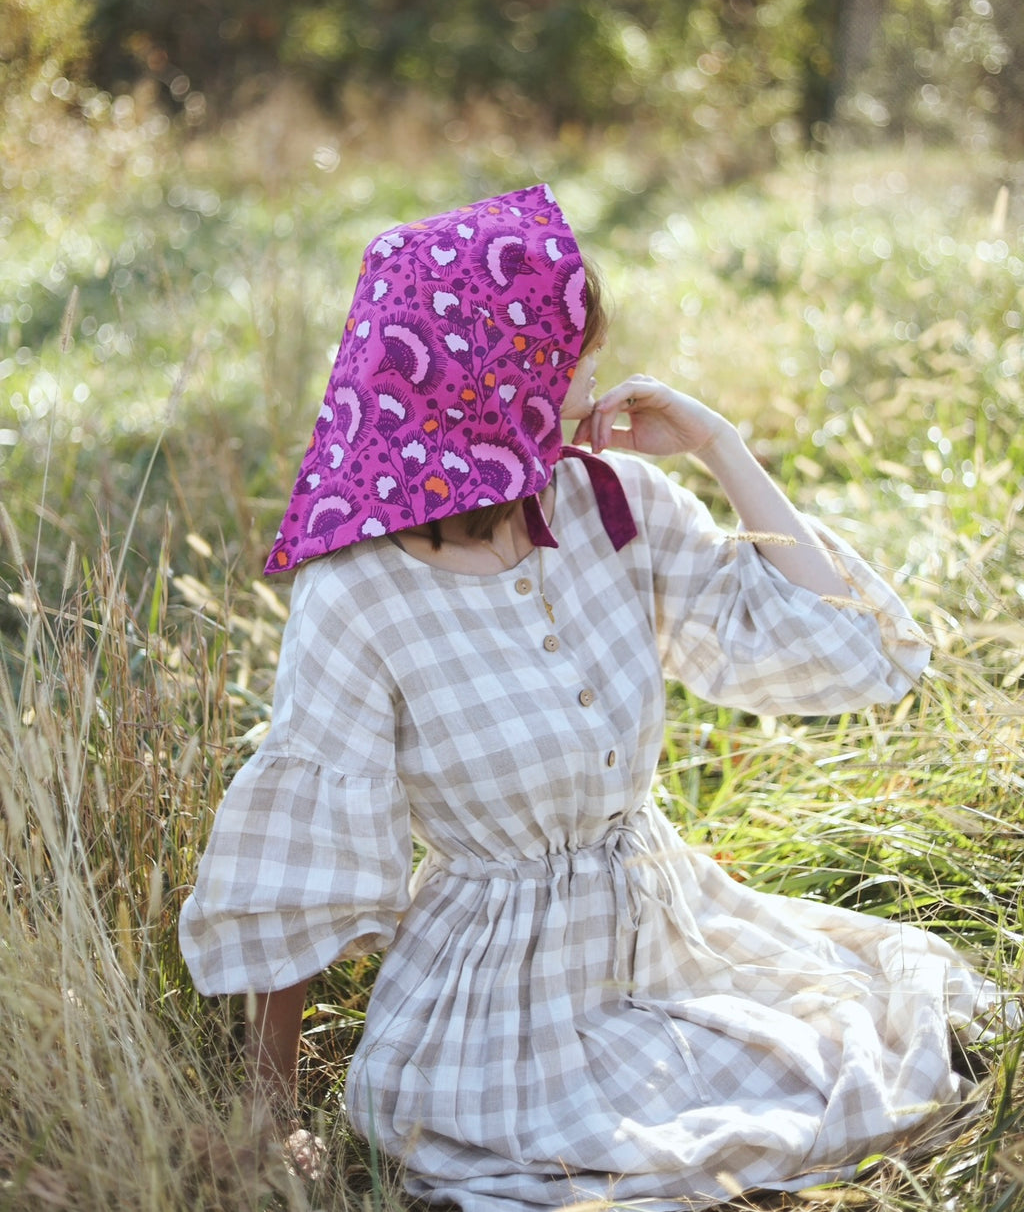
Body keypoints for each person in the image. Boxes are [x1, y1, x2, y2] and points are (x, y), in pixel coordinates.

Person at [179, 183, 993, 1211]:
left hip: (669, 926)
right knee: (643, 1149)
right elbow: (299, 865)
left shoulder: (613, 500)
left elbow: (840, 646)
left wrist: (722, 449)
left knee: (868, 1043)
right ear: (485, 371)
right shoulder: (356, 595)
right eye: (568, 348)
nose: (594, 367)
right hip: (502, 994)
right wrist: (271, 1110)